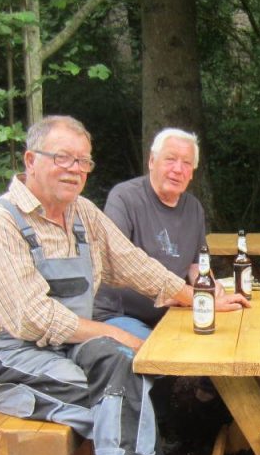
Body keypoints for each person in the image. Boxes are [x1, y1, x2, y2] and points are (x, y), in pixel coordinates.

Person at [0, 116, 249, 455]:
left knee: (124, 369)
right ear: (31, 161)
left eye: (83, 161)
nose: (74, 169)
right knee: (123, 390)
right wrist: (115, 331)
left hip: (67, 344)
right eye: (62, 158)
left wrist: (198, 297)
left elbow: (135, 265)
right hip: (10, 358)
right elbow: (31, 319)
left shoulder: (83, 214)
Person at [92, 128, 220, 436]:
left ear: (193, 172)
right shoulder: (125, 198)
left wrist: (211, 290)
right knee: (155, 353)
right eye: (170, 159)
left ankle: (210, 411)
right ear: (152, 161)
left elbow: (196, 265)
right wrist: (179, 294)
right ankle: (158, 429)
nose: (178, 169)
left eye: (186, 163)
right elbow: (117, 262)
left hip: (172, 310)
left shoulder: (193, 207)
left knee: (224, 335)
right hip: (120, 312)